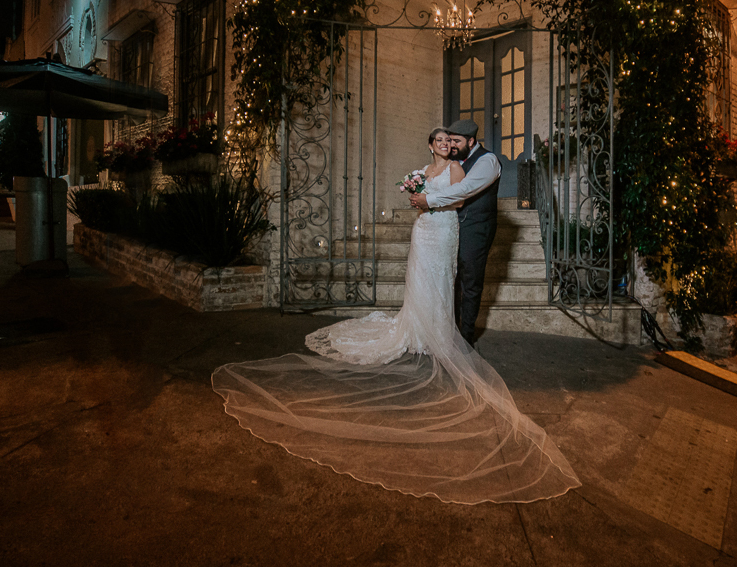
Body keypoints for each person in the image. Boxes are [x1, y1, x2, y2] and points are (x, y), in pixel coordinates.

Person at [211, 127, 579, 505]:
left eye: (451, 140)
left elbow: (458, 200)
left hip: (448, 229)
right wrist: (419, 200)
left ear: (466, 141)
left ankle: (449, 333)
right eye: (440, 140)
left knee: (451, 282)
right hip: (426, 232)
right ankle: (420, 327)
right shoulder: (423, 169)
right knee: (422, 282)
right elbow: (418, 201)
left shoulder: (472, 165)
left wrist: (428, 199)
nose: (446, 144)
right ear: (431, 144)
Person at [407, 118, 500, 345]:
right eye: (448, 141)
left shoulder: (488, 160)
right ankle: (447, 330)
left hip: (476, 228)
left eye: (455, 141)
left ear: (471, 140)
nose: (451, 146)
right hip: (450, 227)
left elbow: (465, 189)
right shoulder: (452, 161)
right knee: (450, 280)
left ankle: (466, 338)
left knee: (470, 281)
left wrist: (429, 199)